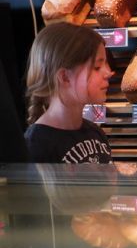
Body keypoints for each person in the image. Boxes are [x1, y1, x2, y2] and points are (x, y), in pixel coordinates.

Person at [24, 22, 113, 163]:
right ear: (65, 77)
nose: (108, 73)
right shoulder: (36, 145)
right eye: (97, 67)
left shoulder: (96, 133)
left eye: (106, 64)